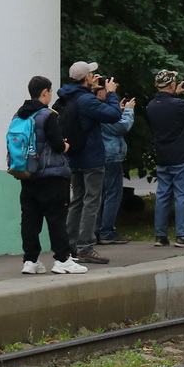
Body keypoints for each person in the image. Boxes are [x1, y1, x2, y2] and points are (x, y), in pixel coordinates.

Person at [13, 76, 87, 274]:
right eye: (50, 92)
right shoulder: (47, 115)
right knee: (56, 218)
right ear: (45, 92)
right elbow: (57, 145)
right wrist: (66, 145)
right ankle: (62, 259)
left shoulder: (18, 116)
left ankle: (30, 261)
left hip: (27, 175)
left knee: (30, 219)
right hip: (51, 177)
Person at [58, 61, 122, 265]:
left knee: (77, 200)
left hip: (74, 156)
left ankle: (70, 245)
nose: (96, 77)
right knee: (92, 201)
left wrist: (91, 90)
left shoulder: (67, 96)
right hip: (91, 157)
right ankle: (85, 247)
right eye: (92, 74)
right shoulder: (86, 100)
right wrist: (111, 93)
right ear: (86, 78)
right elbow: (113, 115)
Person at [147, 70, 184, 247]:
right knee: (181, 195)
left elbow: (167, 105)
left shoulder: (151, 106)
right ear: (172, 84)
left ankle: (160, 235)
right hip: (180, 157)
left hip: (162, 157)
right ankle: (182, 235)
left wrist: (175, 93)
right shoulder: (178, 105)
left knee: (163, 195)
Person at [96, 93, 136, 245]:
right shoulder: (99, 109)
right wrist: (128, 111)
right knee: (112, 194)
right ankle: (107, 231)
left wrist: (116, 112)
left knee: (99, 194)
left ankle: (97, 229)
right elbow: (121, 126)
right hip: (110, 155)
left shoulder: (93, 107)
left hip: (100, 155)